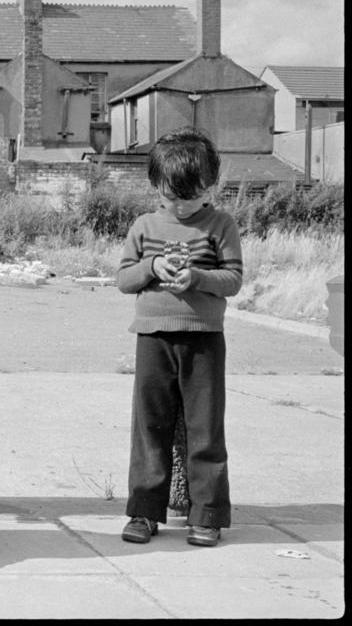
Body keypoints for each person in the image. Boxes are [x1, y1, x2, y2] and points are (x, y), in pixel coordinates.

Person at [116, 127, 243, 548]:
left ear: (210, 187)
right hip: (153, 339)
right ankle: (143, 512)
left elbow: (233, 279)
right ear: (156, 186)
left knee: (205, 428)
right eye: (171, 197)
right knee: (149, 428)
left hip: (204, 339)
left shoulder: (221, 224)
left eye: (190, 197)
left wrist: (198, 277)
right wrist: (153, 267)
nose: (181, 206)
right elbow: (123, 279)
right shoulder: (143, 225)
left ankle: (206, 514)